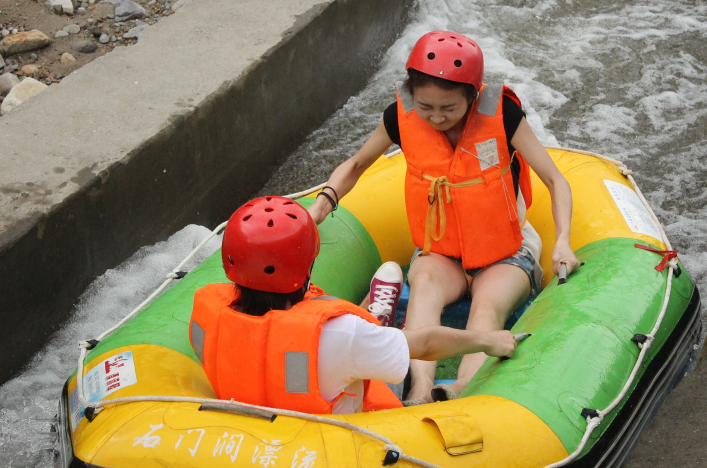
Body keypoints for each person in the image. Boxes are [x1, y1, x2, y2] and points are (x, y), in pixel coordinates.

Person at [307, 31, 580, 404]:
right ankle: (418, 388)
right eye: (425, 106)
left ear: (472, 94)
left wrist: (562, 240)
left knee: (487, 305)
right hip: (441, 251)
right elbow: (355, 165)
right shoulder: (400, 117)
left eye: (448, 108)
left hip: (506, 252)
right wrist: (322, 203)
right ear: (411, 95)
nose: (436, 117)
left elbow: (555, 179)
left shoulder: (503, 116)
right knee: (424, 290)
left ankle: (459, 389)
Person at [189, 195, 518, 415]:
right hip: (339, 436)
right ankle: (376, 320)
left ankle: (372, 321)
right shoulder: (342, 334)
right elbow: (425, 343)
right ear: (307, 261)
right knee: (369, 348)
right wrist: (489, 340)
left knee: (353, 341)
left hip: (259, 434)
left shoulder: (204, 318)